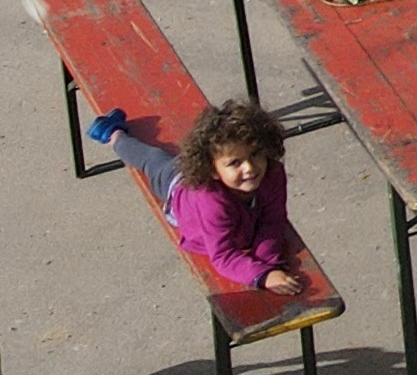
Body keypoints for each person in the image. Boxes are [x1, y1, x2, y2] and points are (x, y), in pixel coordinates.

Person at [79, 96, 308, 298]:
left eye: (256, 154)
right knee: (151, 159)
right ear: (212, 170)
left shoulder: (272, 174)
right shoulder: (210, 200)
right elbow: (224, 256)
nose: (249, 168)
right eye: (235, 163)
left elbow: (273, 220)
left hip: (200, 172)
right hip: (176, 184)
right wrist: (263, 275)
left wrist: (268, 262)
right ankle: (114, 135)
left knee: (171, 157)